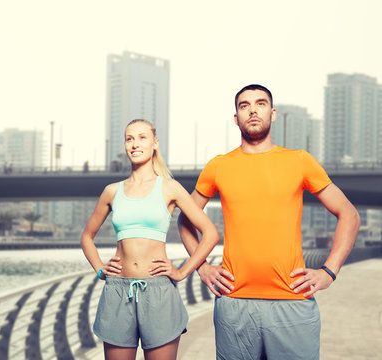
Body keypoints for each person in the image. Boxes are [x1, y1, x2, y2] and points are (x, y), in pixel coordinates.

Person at [178, 84, 361, 360]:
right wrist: (202, 268)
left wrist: (329, 272)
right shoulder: (218, 166)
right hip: (234, 305)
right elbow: (185, 219)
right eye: (244, 105)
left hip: (292, 305)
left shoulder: (300, 161)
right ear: (236, 118)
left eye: (260, 103)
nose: (253, 110)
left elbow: (350, 214)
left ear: (272, 114)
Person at [81, 119, 219, 360]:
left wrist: (182, 272)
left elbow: (211, 233)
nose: (135, 144)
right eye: (129, 138)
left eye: (142, 137)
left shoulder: (170, 188)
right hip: (117, 292)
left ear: (155, 144)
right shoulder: (112, 191)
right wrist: (101, 269)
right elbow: (87, 237)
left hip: (159, 293)